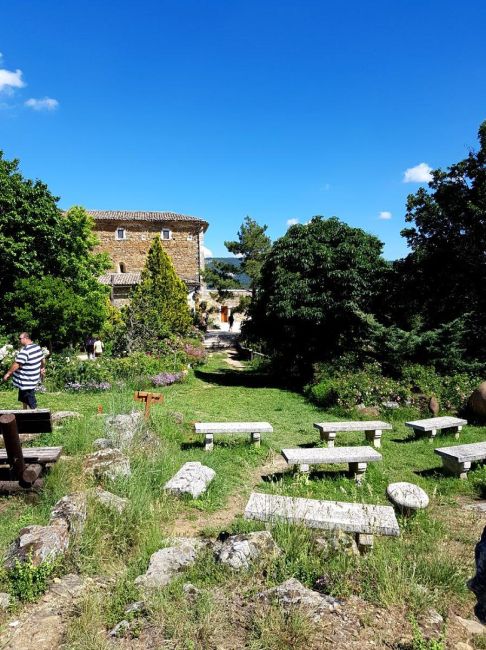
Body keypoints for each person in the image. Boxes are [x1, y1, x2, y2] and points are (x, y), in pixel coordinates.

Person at [2, 332, 45, 409]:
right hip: (28, 380)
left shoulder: (25, 351)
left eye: (20, 339)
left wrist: (8, 373)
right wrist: (42, 368)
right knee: (24, 398)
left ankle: (36, 417)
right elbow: (42, 360)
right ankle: (24, 411)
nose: (19, 340)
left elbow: (17, 364)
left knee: (31, 402)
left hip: (27, 381)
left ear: (26, 338)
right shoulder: (37, 347)